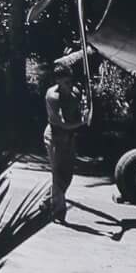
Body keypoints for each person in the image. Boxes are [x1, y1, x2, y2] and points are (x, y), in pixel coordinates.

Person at [44, 60, 87, 224]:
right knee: (57, 175)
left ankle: (45, 202)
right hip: (54, 136)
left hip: (69, 138)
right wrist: (83, 122)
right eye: (66, 82)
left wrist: (85, 108)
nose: (70, 84)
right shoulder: (52, 96)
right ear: (58, 81)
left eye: (71, 80)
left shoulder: (76, 91)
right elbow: (62, 123)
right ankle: (58, 211)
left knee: (66, 176)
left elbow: (79, 109)